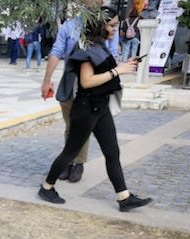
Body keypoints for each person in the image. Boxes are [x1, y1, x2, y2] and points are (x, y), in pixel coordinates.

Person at [38, 7, 152, 212]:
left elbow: (103, 70)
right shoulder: (86, 48)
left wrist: (124, 65)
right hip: (86, 108)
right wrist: (118, 70)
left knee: (112, 152)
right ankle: (47, 187)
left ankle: (124, 198)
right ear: (100, 25)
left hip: (100, 107)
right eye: (112, 25)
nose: (115, 29)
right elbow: (87, 81)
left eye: (116, 25)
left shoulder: (100, 46)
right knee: (70, 152)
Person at [41, 2, 121, 183]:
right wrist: (47, 80)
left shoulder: (108, 25)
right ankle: (65, 164)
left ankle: (78, 163)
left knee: (84, 127)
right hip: (71, 83)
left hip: (95, 88)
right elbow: (56, 52)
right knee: (71, 126)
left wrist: (112, 76)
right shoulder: (69, 26)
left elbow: (112, 54)